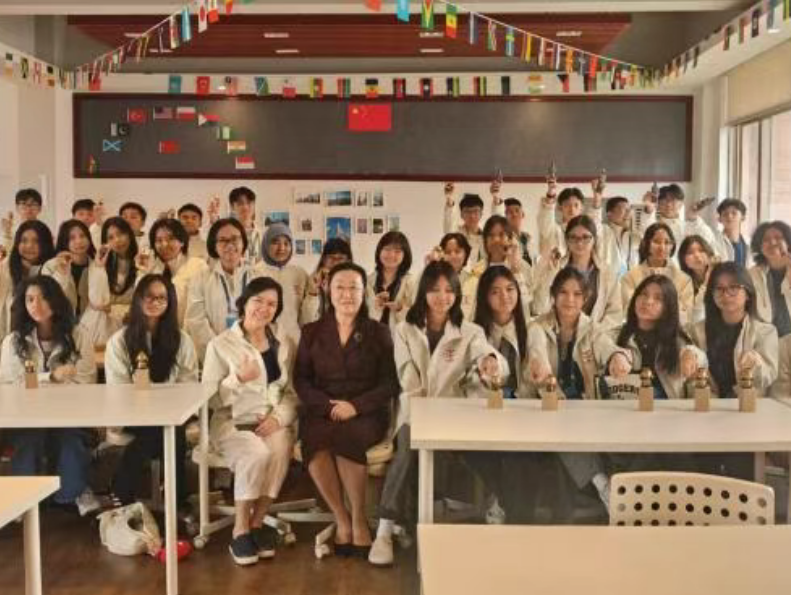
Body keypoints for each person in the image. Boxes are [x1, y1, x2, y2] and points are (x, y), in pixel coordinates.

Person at [369, 260, 503, 566]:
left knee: (492, 447)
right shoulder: (404, 330)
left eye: (449, 290)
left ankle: (496, 506)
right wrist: (426, 416)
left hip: (455, 416)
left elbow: (485, 354)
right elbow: (407, 377)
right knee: (407, 447)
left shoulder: (469, 331)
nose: (442, 297)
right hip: (415, 412)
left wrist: (490, 363)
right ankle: (385, 529)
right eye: (435, 290)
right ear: (423, 293)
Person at [295, 262, 399, 559]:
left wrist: (355, 406)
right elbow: (301, 379)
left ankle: (359, 518)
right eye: (339, 287)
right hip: (322, 408)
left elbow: (390, 382)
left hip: (365, 411)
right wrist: (325, 406)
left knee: (347, 436)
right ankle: (341, 518)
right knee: (315, 439)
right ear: (328, 290)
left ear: (364, 292)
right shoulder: (311, 332)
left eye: (354, 287)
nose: (347, 294)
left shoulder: (378, 332)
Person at [202, 277, 297, 566]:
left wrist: (278, 418)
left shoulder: (284, 344)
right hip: (231, 422)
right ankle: (240, 529)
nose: (264, 308)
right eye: (258, 300)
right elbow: (209, 401)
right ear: (244, 303)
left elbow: (291, 393)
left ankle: (257, 523)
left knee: (280, 447)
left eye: (272, 304)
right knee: (256, 453)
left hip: (269, 420)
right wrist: (237, 379)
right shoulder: (220, 345)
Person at [525, 268, 626, 517]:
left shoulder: (592, 328)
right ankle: (602, 484)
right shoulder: (538, 326)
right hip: (546, 406)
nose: (570, 299)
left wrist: (617, 357)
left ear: (585, 298)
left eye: (577, 294)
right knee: (561, 429)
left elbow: (607, 347)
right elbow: (537, 351)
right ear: (553, 294)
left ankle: (596, 491)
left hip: (585, 409)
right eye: (563, 292)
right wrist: (541, 367)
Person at [0, 276, 99, 515]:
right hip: (25, 415)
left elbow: (86, 381)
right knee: (28, 440)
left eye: (44, 298)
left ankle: (73, 493)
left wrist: (40, 385)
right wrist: (50, 378)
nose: (37, 305)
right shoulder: (13, 341)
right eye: (30, 299)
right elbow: (10, 385)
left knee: (70, 439)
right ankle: (22, 499)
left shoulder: (78, 335)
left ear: (56, 300)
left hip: (69, 412)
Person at [104, 274, 199, 507]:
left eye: (161, 298)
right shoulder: (119, 341)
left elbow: (188, 383)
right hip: (132, 412)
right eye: (149, 296)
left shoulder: (182, 340)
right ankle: (176, 494)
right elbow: (118, 388)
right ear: (138, 299)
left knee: (170, 426)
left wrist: (167, 407)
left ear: (170, 302)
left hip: (173, 411)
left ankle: (122, 486)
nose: (155, 302)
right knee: (165, 430)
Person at [689, 262, 777, 399]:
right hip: (707, 404)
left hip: (748, 405)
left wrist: (756, 364)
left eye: (734, 287)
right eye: (719, 288)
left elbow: (768, 378)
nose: (726, 294)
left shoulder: (765, 331)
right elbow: (689, 379)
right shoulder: (696, 331)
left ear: (748, 293)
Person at [612, 274, 705, 400]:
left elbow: (699, 359)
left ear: (668, 307)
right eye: (644, 294)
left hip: (666, 408)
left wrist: (691, 354)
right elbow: (601, 347)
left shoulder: (677, 341)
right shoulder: (616, 335)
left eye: (658, 298)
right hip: (622, 405)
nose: (648, 301)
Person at [532, 215, 622, 328]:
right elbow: (539, 308)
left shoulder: (607, 273)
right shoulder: (556, 268)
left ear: (594, 240)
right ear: (567, 240)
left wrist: (596, 332)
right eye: (573, 237)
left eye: (585, 237)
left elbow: (615, 313)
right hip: (558, 333)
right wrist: (549, 275)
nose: (579, 243)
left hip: (596, 334)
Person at [185, 218, 250, 363]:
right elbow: (196, 321)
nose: (230, 245)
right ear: (214, 246)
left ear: (243, 242)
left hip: (250, 355)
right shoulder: (200, 278)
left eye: (235, 239)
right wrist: (220, 353)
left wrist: (250, 351)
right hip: (214, 356)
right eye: (222, 240)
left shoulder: (257, 276)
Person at [138, 218, 209, 327]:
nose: (164, 244)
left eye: (170, 238)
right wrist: (143, 272)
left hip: (189, 332)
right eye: (159, 240)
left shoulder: (197, 266)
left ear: (182, 241)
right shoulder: (152, 269)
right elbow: (140, 303)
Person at [621, 223, 694, 323]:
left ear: (672, 246)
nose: (662, 247)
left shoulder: (684, 280)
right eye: (656, 242)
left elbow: (686, 315)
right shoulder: (630, 277)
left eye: (667, 242)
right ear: (646, 244)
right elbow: (628, 311)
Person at [474, 265, 528, 399]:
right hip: (485, 403)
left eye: (509, 289)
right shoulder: (475, 333)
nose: (504, 296)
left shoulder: (529, 329)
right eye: (495, 292)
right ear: (485, 297)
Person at [83, 217, 139, 346]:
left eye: (121, 234)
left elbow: (142, 298)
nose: (117, 240)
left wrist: (115, 309)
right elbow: (98, 301)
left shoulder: (141, 260)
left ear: (129, 234)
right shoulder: (99, 264)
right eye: (111, 237)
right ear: (105, 243)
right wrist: (99, 266)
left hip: (131, 322)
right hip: (101, 325)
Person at [469, 215, 533, 321]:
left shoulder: (523, 266)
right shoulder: (477, 270)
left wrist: (515, 270)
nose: (496, 240)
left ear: (510, 239)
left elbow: (526, 301)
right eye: (491, 236)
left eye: (501, 235)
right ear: (485, 241)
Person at [251, 223, 308, 342]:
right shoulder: (254, 273)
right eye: (275, 242)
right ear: (266, 244)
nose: (282, 248)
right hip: (264, 341)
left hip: (294, 341)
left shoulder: (300, 274)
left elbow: (306, 316)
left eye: (286, 243)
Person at [0, 220, 55, 341]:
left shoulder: (53, 268)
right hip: (7, 337)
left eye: (36, 241)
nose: (29, 246)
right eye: (24, 241)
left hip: (44, 339)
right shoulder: (6, 266)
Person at [41, 219, 96, 322]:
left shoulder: (96, 266)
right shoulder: (51, 265)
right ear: (64, 242)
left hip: (89, 323)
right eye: (72, 238)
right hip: (59, 322)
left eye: (82, 236)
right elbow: (50, 298)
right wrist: (61, 273)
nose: (79, 241)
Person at [442, 179, 505, 266]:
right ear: (461, 214)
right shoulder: (457, 234)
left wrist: (496, 197)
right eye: (467, 211)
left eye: (475, 211)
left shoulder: (486, 237)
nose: (472, 216)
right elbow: (449, 225)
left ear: (481, 214)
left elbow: (498, 223)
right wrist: (449, 198)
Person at [366, 231, 416, 335]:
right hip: (371, 339)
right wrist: (375, 306)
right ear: (379, 251)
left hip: (399, 341)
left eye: (397, 251)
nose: (391, 255)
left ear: (405, 255)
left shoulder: (412, 282)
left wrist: (400, 309)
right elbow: (361, 316)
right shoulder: (367, 281)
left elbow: (418, 318)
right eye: (387, 249)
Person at [748, 221, 791, 339]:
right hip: (765, 340)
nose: (772, 242)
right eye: (766, 240)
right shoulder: (752, 274)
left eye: (778, 238)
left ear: (788, 242)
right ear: (760, 247)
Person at [598, 194, 654, 278]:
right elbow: (595, 222)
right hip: (608, 282)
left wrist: (649, 210)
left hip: (631, 282)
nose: (628, 214)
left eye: (629, 210)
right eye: (624, 210)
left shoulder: (633, 235)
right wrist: (597, 201)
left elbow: (649, 233)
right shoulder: (603, 231)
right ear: (609, 214)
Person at [301, 238, 353, 324]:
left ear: (348, 261)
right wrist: (313, 293)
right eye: (331, 257)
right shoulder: (313, 280)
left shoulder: (358, 282)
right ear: (323, 259)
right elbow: (306, 321)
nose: (335, 262)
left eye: (340, 258)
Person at [678, 235, 717, 324]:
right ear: (683, 260)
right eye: (690, 253)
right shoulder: (683, 284)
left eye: (701, 250)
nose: (697, 255)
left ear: (709, 253)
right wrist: (706, 283)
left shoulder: (721, 276)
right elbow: (693, 317)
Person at [229, 187, 263, 266]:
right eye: (240, 203)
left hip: (258, 273)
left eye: (249, 202)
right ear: (232, 207)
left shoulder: (262, 234)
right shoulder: (228, 234)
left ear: (254, 205)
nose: (245, 207)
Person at [503, 198, 535, 266]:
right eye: (509, 212)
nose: (514, 214)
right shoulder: (505, 240)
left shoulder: (530, 239)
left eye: (517, 210)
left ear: (523, 214)